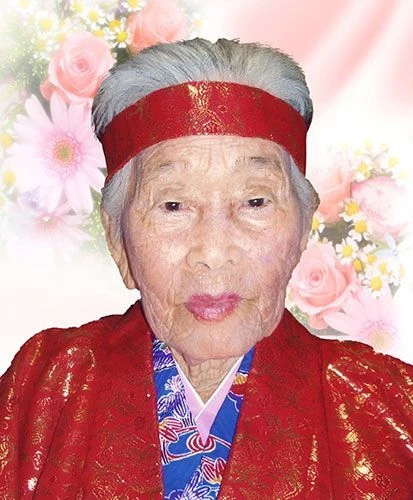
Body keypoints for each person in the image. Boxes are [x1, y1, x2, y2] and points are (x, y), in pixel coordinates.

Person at [0, 38, 412, 499]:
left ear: (302, 228)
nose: (213, 252)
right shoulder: (44, 390)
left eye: (255, 201)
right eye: (173, 205)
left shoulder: (391, 409)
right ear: (117, 238)